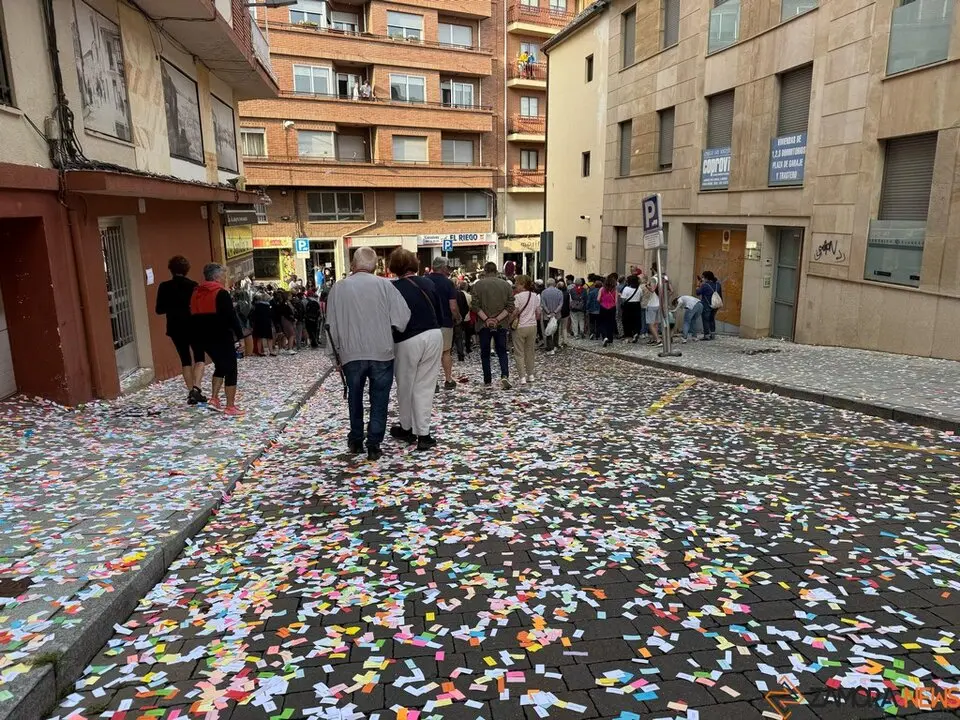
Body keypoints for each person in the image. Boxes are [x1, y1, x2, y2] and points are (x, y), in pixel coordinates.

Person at [326, 246, 411, 461]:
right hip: (381, 350)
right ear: (374, 266)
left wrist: (333, 355)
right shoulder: (385, 285)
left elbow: (330, 324)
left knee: (354, 396)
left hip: (350, 351)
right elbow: (402, 317)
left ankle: (356, 439)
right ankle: (374, 443)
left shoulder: (339, 288)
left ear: (354, 264)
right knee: (379, 398)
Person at [388, 250, 444, 451]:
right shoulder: (429, 283)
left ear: (394, 267)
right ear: (414, 264)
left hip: (407, 338)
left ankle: (407, 427)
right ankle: (424, 434)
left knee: (405, 385)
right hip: (433, 334)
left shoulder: (394, 288)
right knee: (425, 386)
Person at [190, 264, 244, 415]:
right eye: (223, 276)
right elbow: (231, 317)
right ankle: (230, 406)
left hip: (201, 336)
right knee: (231, 368)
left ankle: (214, 399)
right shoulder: (220, 293)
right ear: (215, 277)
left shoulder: (196, 292)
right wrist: (240, 337)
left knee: (220, 365)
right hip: (220, 335)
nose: (224, 279)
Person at [155, 256, 206, 405]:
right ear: (186, 270)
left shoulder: (164, 286)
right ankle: (196, 388)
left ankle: (191, 391)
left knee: (185, 359)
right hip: (193, 326)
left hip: (175, 327)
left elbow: (159, 310)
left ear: (170, 269)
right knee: (199, 358)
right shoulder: (193, 286)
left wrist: (173, 307)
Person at [471, 261, 515, 390]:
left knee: (485, 352)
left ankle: (487, 378)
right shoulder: (506, 285)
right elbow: (510, 305)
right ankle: (504, 374)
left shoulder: (478, 285)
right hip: (501, 323)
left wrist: (487, 319)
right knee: (502, 351)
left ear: (484, 271)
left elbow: (474, 306)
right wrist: (496, 319)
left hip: (483, 324)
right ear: (496, 271)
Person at [428, 257, 461, 391]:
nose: (448, 270)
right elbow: (453, 306)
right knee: (445, 352)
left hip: (429, 323)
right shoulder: (448, 283)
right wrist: (458, 317)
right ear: (442, 268)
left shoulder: (425, 280)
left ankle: (433, 382)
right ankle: (448, 380)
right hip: (445, 322)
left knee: (431, 354)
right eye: (447, 267)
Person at [511, 275, 540, 385]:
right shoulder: (534, 296)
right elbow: (538, 313)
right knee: (530, 352)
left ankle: (522, 377)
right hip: (532, 326)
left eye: (517, 283)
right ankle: (531, 375)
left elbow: (515, 312)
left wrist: (510, 321)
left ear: (522, 284)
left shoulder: (518, 297)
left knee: (519, 353)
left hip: (520, 327)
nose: (515, 286)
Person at [540, 278, 563, 354]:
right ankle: (555, 345)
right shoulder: (559, 292)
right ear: (554, 284)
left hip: (547, 315)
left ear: (547, 284)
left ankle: (550, 348)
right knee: (556, 330)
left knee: (548, 331)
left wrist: (549, 312)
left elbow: (543, 304)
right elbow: (561, 304)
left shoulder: (543, 292)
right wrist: (555, 312)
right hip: (557, 315)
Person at [620, 274, 644, 343]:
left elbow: (623, 299)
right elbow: (641, 297)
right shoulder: (639, 289)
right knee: (636, 320)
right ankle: (636, 333)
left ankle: (628, 337)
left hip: (628, 305)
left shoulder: (626, 289)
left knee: (627, 321)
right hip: (637, 304)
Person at [698, 271, 722, 340]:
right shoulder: (718, 284)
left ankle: (707, 335)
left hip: (707, 304)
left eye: (703, 277)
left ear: (706, 277)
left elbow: (698, 292)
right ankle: (713, 334)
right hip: (715, 305)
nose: (702, 278)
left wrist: (698, 285)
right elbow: (720, 295)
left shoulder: (705, 285)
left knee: (705, 320)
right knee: (712, 319)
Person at [252, 291, 275, 356]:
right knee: (269, 337)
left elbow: (254, 315)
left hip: (259, 322)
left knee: (260, 337)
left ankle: (259, 351)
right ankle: (271, 351)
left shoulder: (257, 305)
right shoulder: (268, 306)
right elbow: (271, 314)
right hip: (267, 322)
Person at [598, 273, 618, 347]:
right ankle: (610, 338)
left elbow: (598, 299)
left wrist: (602, 302)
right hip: (612, 308)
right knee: (610, 323)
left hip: (603, 307)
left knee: (602, 323)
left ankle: (604, 336)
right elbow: (616, 301)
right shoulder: (615, 290)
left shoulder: (602, 289)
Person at [557, 280, 570, 348]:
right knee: (564, 328)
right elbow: (569, 303)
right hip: (566, 312)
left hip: (558, 312)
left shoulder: (557, 293)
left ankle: (558, 341)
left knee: (558, 328)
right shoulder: (567, 293)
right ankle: (565, 341)